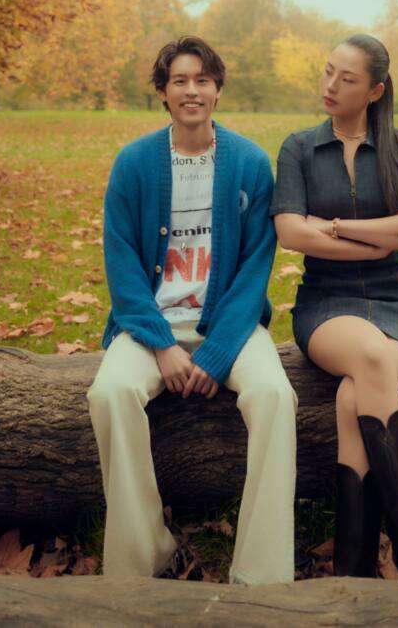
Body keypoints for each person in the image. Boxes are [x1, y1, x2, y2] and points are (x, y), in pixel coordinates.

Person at [86, 35, 297, 585]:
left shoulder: (250, 163)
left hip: (228, 323)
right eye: (179, 80)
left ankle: (262, 572)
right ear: (163, 92)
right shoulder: (133, 164)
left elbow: (255, 268)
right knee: (109, 393)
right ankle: (144, 557)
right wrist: (160, 344)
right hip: (150, 325)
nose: (192, 91)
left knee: (275, 396)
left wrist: (218, 352)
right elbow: (122, 262)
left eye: (202, 80)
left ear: (218, 89)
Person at [270, 33, 398, 583]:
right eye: (328, 72)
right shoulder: (299, 148)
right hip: (326, 304)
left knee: (355, 395)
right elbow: (291, 233)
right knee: (370, 357)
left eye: (346, 79)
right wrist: (377, 240)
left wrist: (338, 227)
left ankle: (355, 560)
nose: (330, 85)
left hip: (397, 300)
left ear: (374, 91)